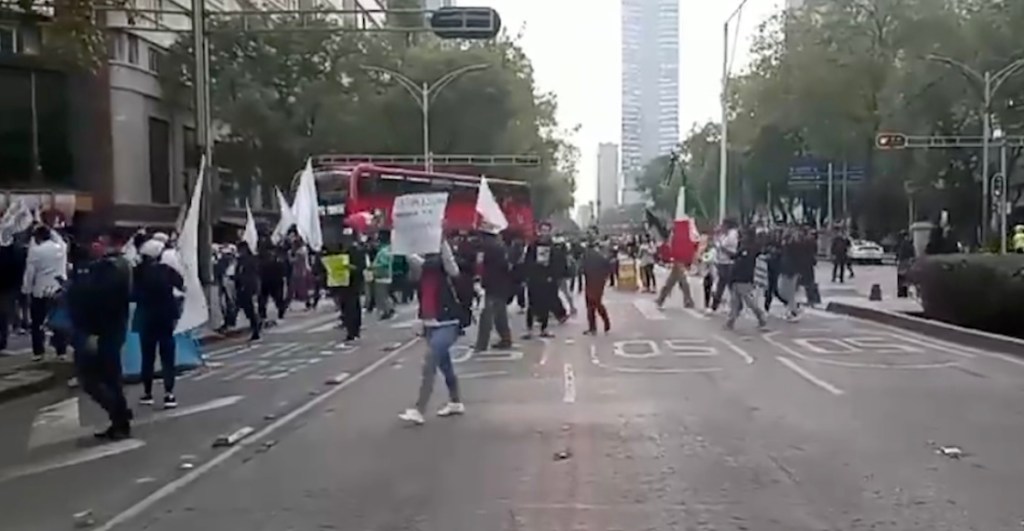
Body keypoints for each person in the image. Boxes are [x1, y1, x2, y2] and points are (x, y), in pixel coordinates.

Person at [66, 233, 133, 440]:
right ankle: (119, 418)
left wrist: (93, 331)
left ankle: (120, 417)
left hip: (102, 333)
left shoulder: (109, 270)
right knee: (107, 378)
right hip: (108, 331)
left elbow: (100, 302)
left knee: (96, 378)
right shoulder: (116, 267)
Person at [399, 238, 467, 425]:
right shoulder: (421, 266)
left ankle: (419, 409)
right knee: (444, 364)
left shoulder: (445, 265)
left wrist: (441, 238)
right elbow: (413, 268)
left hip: (448, 321)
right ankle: (455, 401)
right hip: (430, 322)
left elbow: (450, 266)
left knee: (430, 361)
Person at [133, 238, 185, 409]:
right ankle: (169, 394)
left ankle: (147, 393)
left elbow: (131, 294)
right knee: (167, 358)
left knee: (147, 357)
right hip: (166, 319)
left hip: (146, 319)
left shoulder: (138, 272)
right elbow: (181, 283)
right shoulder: (167, 271)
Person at [22, 224, 69, 362]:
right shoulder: (61, 248)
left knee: (37, 322)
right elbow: (59, 238)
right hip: (58, 289)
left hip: (40, 290)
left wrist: (27, 290)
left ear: (37, 237)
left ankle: (38, 352)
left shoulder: (36, 252)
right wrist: (48, 226)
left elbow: (30, 273)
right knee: (59, 321)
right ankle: (61, 351)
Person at [474, 227, 514, 351]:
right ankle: (505, 338)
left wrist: (478, 280)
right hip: (501, 284)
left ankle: (482, 344)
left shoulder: (483, 248)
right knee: (500, 314)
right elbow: (506, 266)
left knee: (486, 315)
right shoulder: (501, 247)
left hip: (489, 284)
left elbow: (479, 265)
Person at [523, 222, 564, 339]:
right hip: (534, 279)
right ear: (539, 231)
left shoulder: (553, 247)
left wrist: (553, 275)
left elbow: (557, 263)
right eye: (543, 230)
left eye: (547, 230)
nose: (544, 233)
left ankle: (544, 329)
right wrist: (531, 271)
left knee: (546, 305)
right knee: (531, 305)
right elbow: (527, 262)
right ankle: (529, 330)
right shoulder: (533, 246)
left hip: (548, 280)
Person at [724, 230, 768, 331]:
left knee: (749, 301)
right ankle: (730, 322)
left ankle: (761, 317)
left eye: (744, 236)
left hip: (744, 278)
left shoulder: (751, 249)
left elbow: (740, 259)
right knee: (735, 301)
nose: (742, 238)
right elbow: (734, 257)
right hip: (737, 277)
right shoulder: (743, 247)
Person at [581, 242, 612, 334]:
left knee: (592, 303)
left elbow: (582, 268)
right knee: (594, 303)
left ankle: (594, 327)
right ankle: (602, 324)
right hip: (597, 281)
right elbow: (608, 266)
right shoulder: (599, 255)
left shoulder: (587, 255)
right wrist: (605, 277)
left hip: (591, 281)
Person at [235, 241, 262, 341]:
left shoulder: (251, 260)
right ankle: (256, 324)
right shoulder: (241, 260)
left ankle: (256, 328)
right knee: (247, 309)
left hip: (251, 287)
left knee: (251, 308)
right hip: (244, 288)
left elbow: (250, 274)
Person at [371, 230, 395, 319]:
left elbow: (384, 263)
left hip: (382, 274)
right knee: (384, 294)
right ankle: (388, 309)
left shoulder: (384, 250)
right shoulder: (389, 248)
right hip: (386, 274)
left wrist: (374, 266)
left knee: (382, 294)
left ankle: (388, 310)